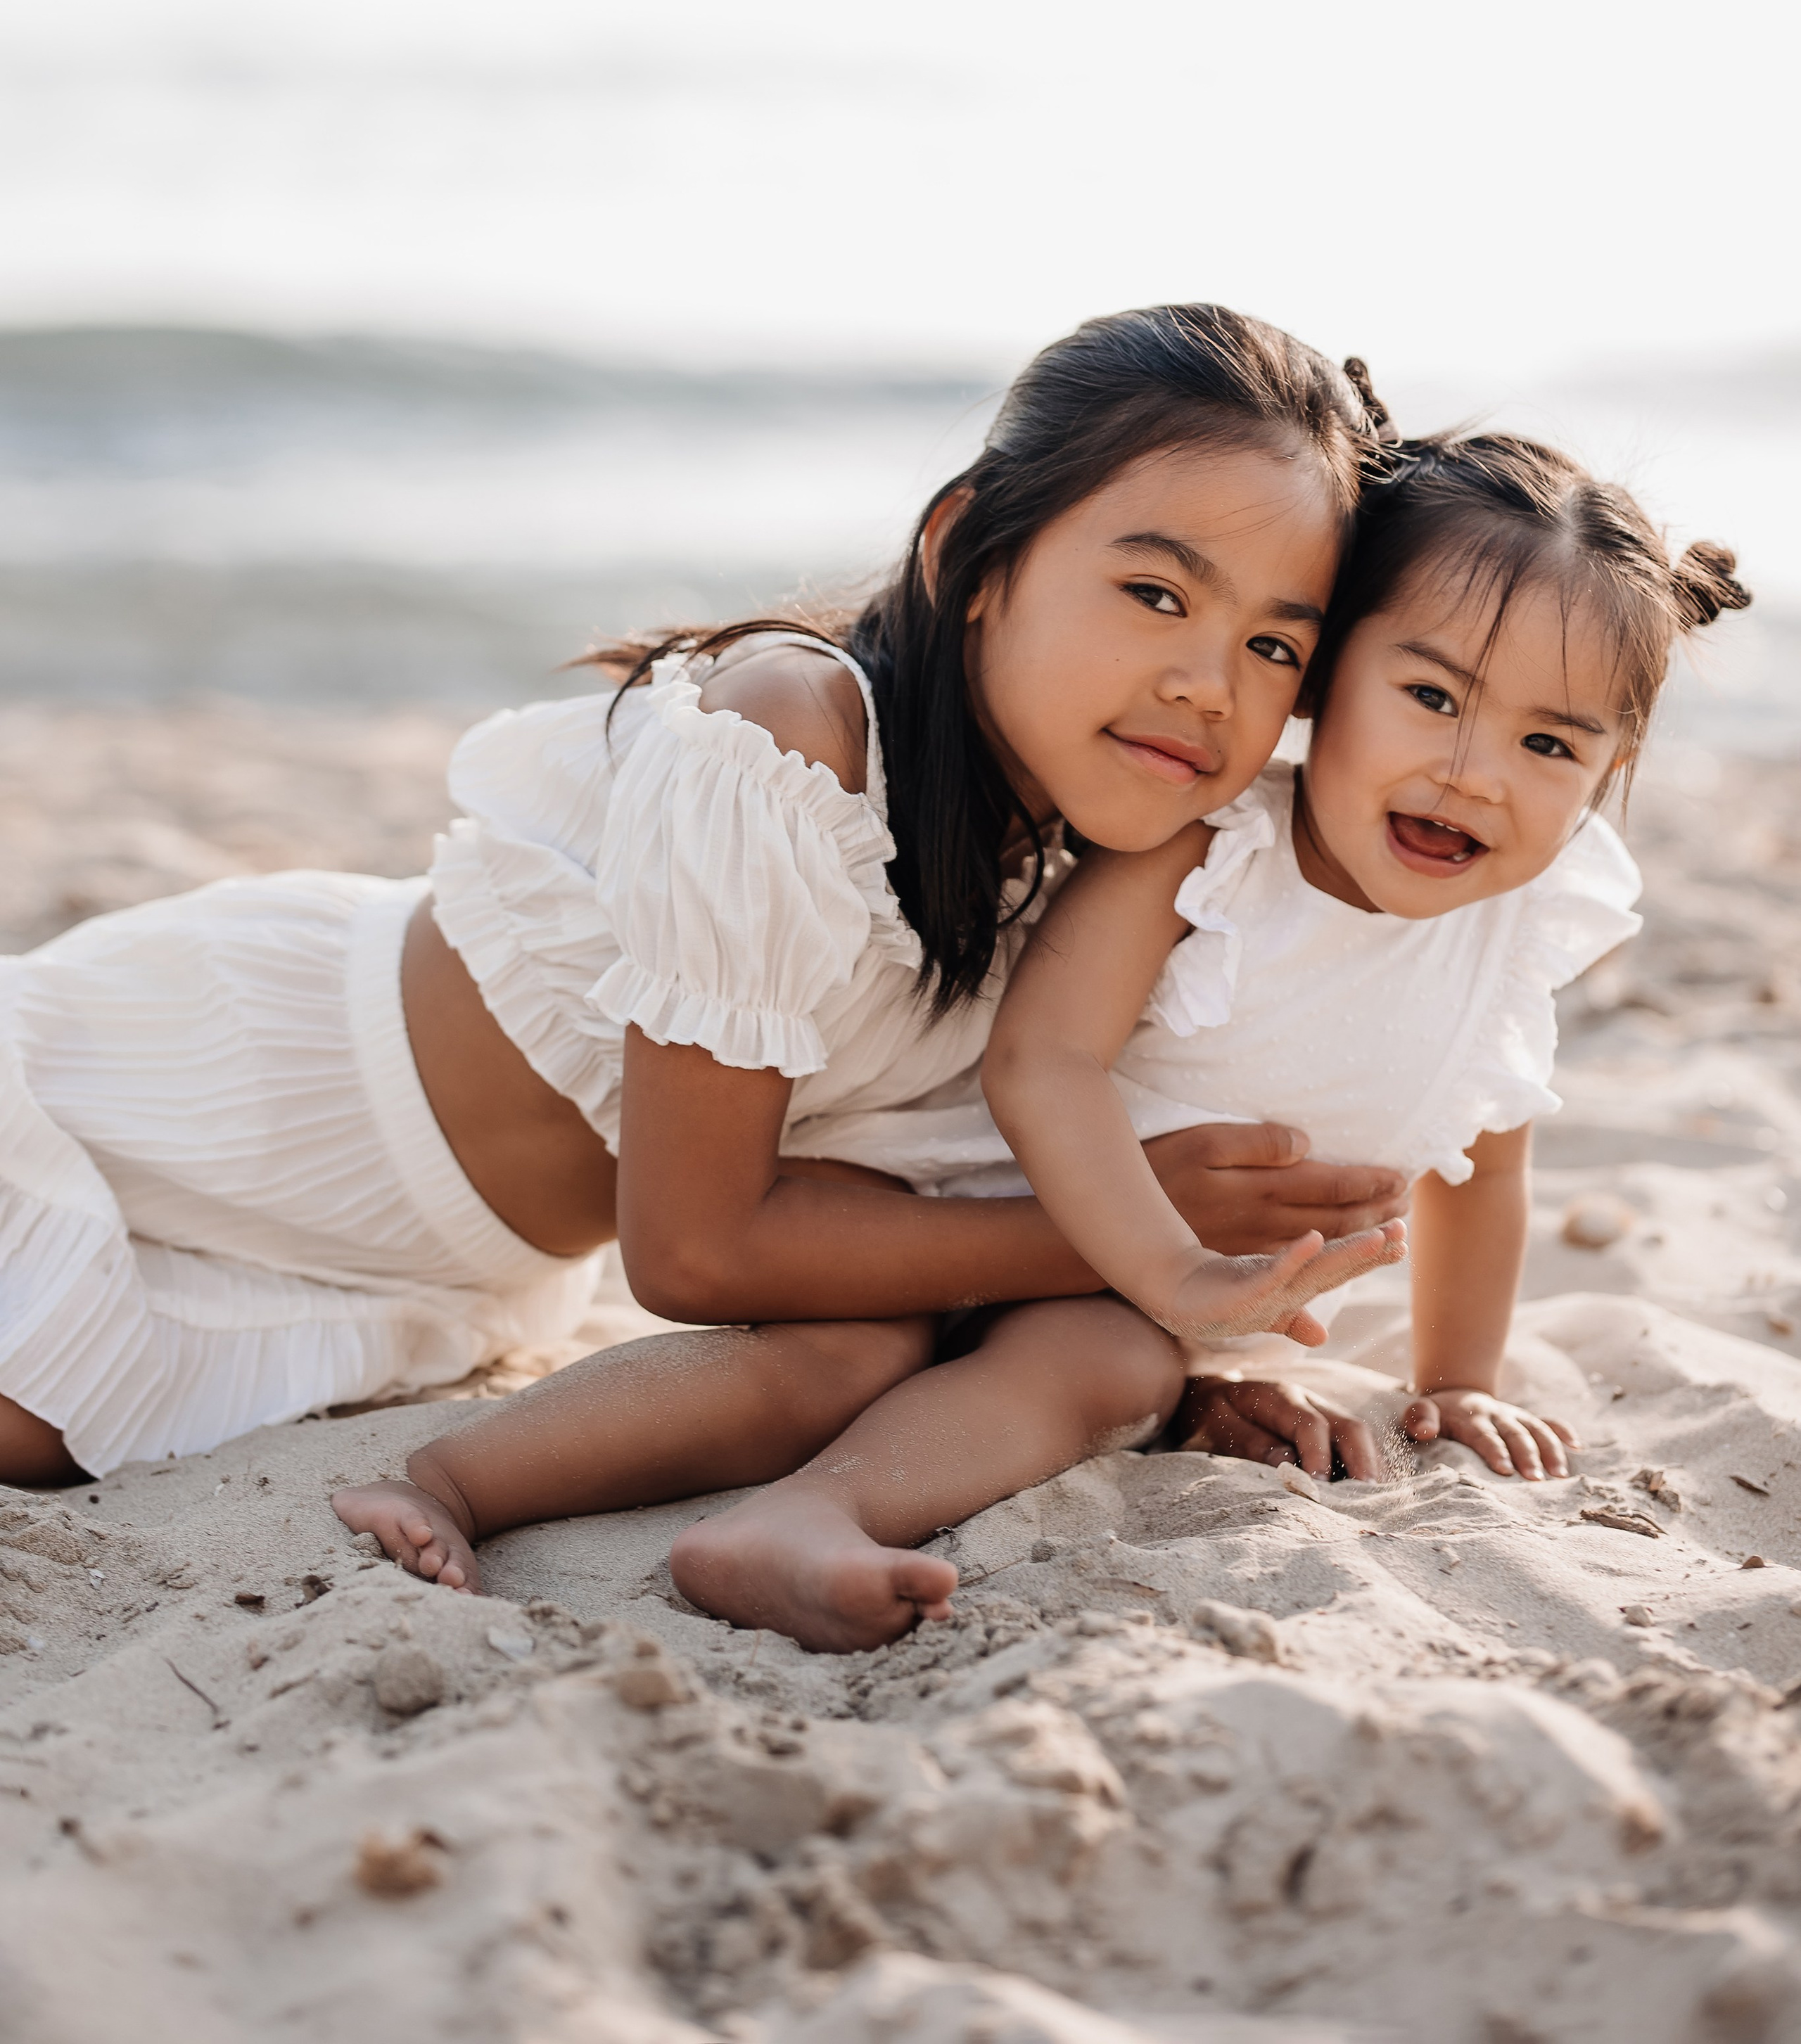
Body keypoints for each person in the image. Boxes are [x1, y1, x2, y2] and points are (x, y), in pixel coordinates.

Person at [341, 433, 1746, 1654]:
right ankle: (456, 1485)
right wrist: (1175, 1270)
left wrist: (1449, 1382)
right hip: (975, 1209)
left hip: (1133, 1304)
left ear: (1606, 778)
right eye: (1428, 698)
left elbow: (1478, 1171)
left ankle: (799, 1523)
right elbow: (1039, 1064)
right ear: (1323, 686)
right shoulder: (1208, 855)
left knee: (1110, 1371)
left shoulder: (1513, 940)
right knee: (834, 1357)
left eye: (1549, 748)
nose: (1469, 770)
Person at [0, 303, 1404, 1490]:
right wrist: (1142, 1244)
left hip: (403, 1274)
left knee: (56, 1428)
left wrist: (1168, 1368)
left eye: (1275, 644)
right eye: (1156, 595)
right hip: (210, 1095)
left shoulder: (1100, 869)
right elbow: (692, 1247)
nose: (1206, 686)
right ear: (970, 554)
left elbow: (902, 1218)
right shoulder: (790, 746)